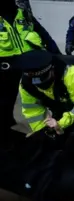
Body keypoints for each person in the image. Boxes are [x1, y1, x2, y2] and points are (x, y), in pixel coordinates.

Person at [0, 0, 60, 134]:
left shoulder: (24, 14)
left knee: (46, 96)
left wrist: (58, 56)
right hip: (7, 69)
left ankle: (55, 126)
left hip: (33, 66)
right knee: (6, 101)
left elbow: (44, 35)